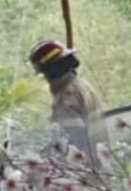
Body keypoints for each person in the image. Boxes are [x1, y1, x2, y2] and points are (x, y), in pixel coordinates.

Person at [29, 39, 108, 171]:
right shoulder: (82, 86)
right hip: (100, 167)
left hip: (84, 175)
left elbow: (73, 143)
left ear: (49, 72)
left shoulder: (65, 99)